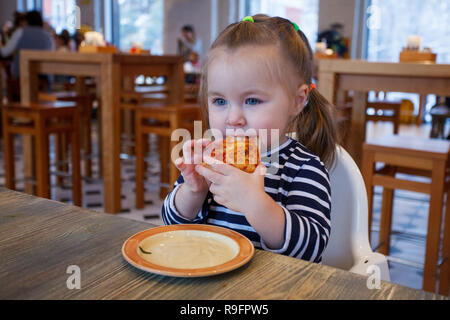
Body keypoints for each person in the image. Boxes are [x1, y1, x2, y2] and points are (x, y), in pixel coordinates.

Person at [162, 15, 338, 263]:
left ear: (298, 101)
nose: (233, 118)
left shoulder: (304, 168)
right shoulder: (211, 159)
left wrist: (254, 203)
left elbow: (310, 249)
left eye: (252, 100)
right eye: (220, 101)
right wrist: (193, 190)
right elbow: (172, 224)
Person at [0, 10, 52, 78]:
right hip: (43, 74)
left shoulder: (21, 32)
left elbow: (5, 52)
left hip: (21, 73)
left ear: (27, 20)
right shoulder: (47, 35)